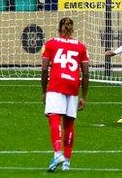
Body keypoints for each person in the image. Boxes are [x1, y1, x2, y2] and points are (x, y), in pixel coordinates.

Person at [41, 17, 89, 172]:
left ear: (59, 28)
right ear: (72, 29)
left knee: (54, 117)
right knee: (69, 123)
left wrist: (43, 91)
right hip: (73, 85)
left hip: (56, 84)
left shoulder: (50, 43)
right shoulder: (81, 46)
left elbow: (44, 69)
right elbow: (86, 73)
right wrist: (84, 96)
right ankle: (67, 162)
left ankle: (57, 153)